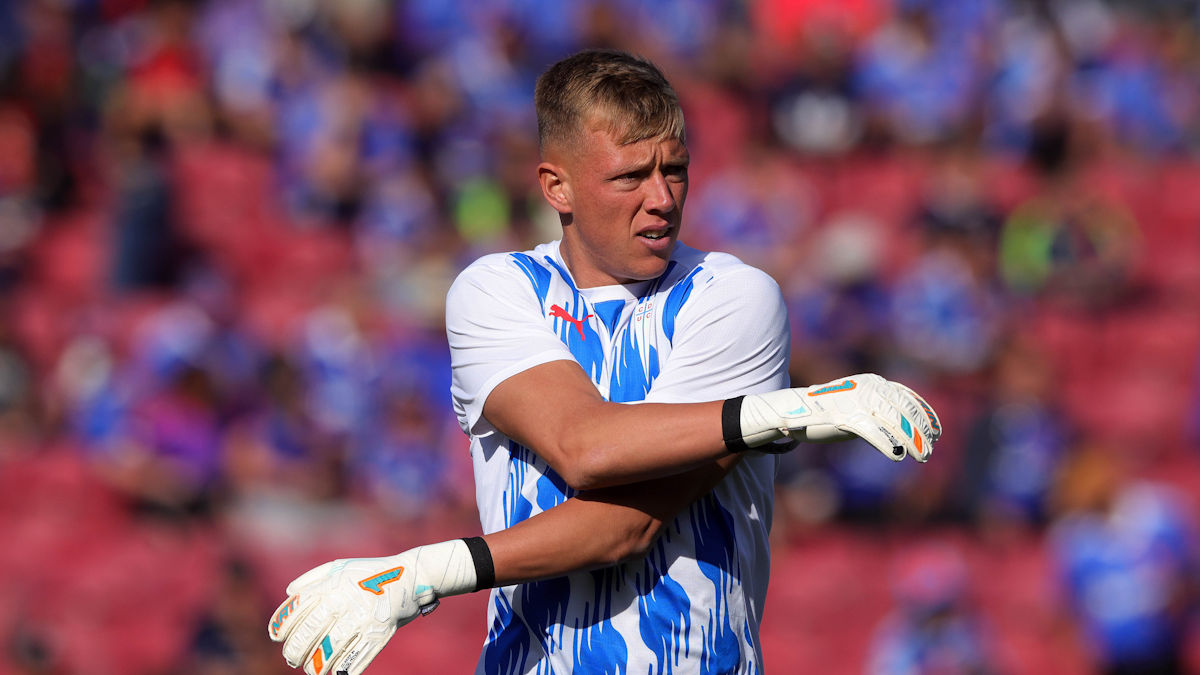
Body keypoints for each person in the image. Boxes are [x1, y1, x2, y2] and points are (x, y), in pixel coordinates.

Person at [268, 49, 941, 675]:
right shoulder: (496, 290)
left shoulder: (734, 297)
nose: (662, 198)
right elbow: (584, 444)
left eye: (674, 169)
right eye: (630, 177)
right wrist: (795, 410)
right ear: (556, 187)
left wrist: (426, 572)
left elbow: (627, 523)